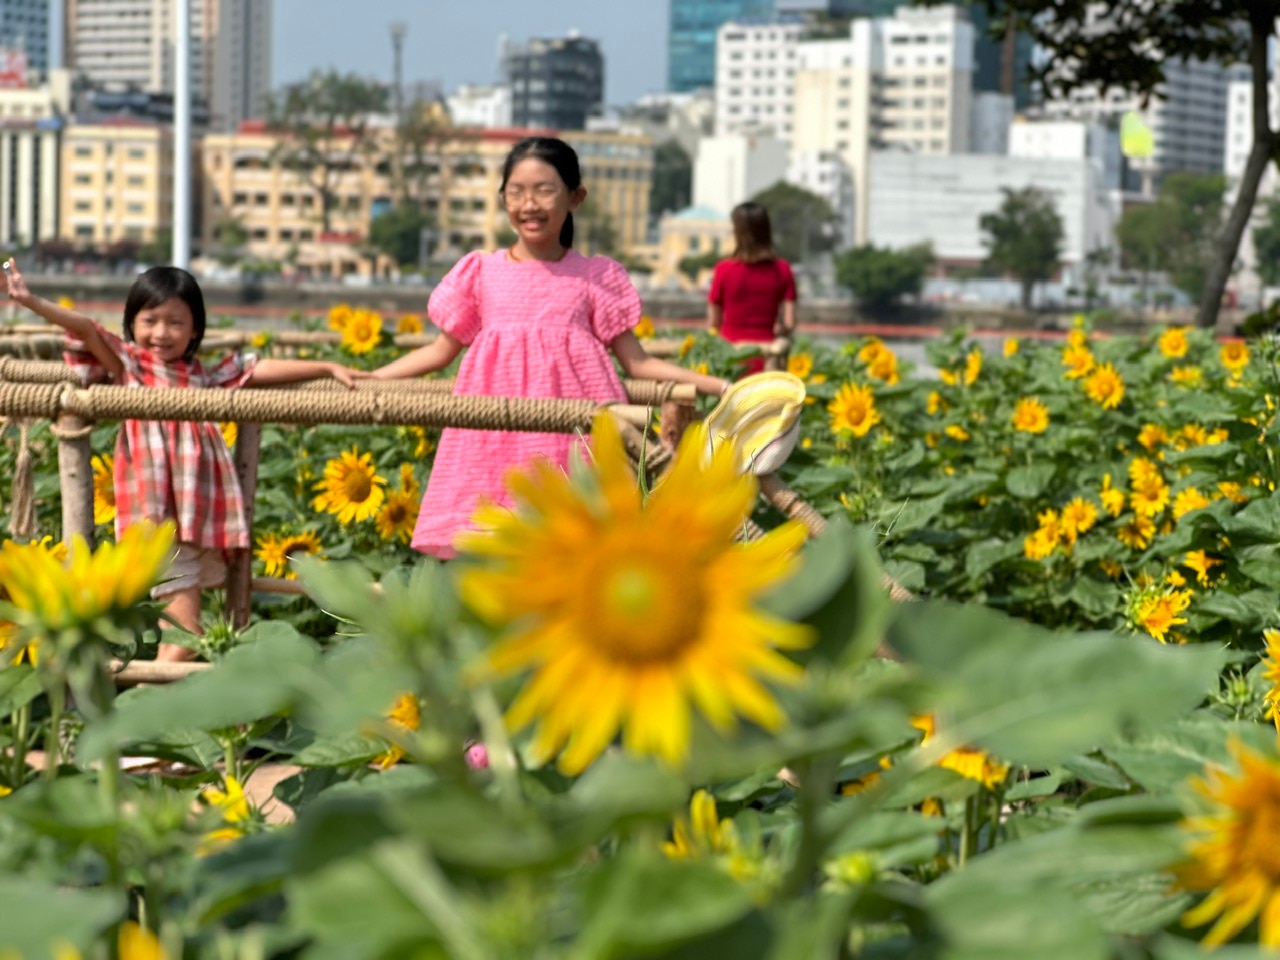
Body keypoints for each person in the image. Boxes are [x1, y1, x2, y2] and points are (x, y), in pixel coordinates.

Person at [373, 135, 728, 558]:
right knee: (491, 562)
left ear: (575, 198)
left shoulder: (595, 277)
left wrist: (716, 385)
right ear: (503, 198)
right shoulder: (480, 272)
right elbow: (437, 353)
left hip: (574, 438)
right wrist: (366, 378)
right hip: (492, 439)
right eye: (517, 192)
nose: (529, 204)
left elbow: (639, 363)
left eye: (545, 190)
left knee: (581, 553)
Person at [0, 260, 366, 661]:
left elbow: (256, 369)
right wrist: (30, 300)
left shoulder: (200, 377)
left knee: (180, 625)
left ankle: (150, 706)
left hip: (193, 517)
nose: (161, 333)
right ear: (131, 324)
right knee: (186, 633)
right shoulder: (130, 368)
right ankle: (145, 712)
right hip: (157, 520)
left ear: (195, 330)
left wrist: (327, 365)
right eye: (150, 320)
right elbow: (86, 328)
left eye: (175, 322)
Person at [707, 202, 797, 375]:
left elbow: (714, 322)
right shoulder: (783, 269)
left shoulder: (723, 269)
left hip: (730, 357)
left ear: (738, 233)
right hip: (767, 359)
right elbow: (789, 323)